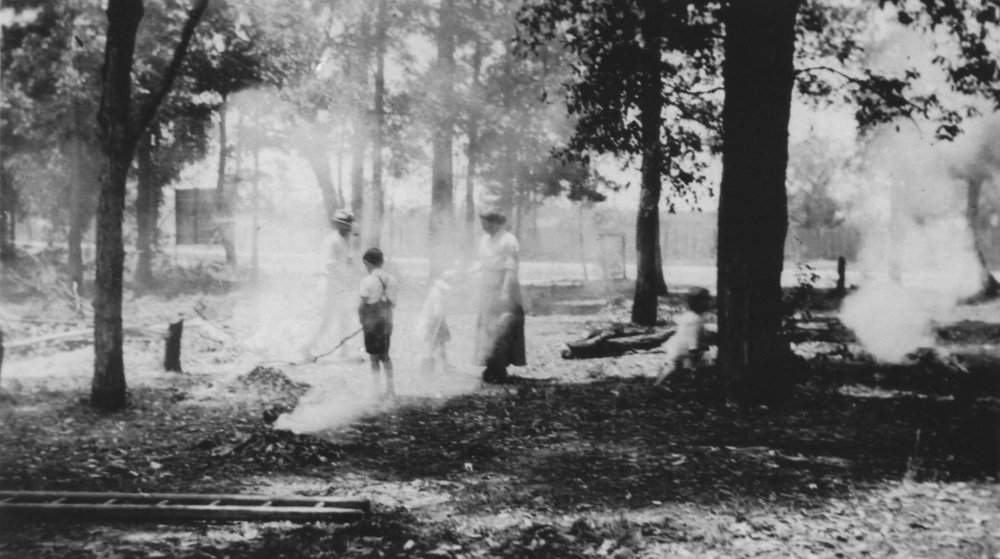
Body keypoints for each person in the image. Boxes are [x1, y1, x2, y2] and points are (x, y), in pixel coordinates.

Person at [474, 210, 526, 383]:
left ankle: (500, 368)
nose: (484, 227)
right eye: (482, 224)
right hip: (487, 287)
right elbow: (483, 264)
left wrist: (505, 292)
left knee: (503, 327)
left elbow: (511, 268)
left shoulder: (508, 240)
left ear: (496, 223)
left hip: (504, 285)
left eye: (486, 223)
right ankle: (490, 365)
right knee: (487, 328)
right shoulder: (484, 240)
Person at [300, 209, 358, 361]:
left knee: (344, 318)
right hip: (330, 285)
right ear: (339, 225)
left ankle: (344, 352)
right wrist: (345, 280)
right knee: (326, 321)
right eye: (345, 225)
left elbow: (348, 262)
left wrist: (351, 277)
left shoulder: (346, 241)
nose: (348, 228)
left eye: (349, 225)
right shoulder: (332, 241)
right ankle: (306, 346)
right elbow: (331, 266)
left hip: (341, 286)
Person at [358, 247, 397, 399]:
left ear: (367, 263)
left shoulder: (367, 280)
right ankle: (391, 390)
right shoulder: (392, 280)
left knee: (374, 358)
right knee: (385, 355)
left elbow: (362, 304)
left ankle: (376, 390)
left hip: (371, 323)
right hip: (387, 321)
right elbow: (393, 304)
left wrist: (362, 320)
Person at [653, 287, 711, 388]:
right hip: (684, 350)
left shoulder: (689, 315)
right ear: (697, 303)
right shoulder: (696, 320)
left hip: (677, 347)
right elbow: (693, 338)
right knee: (678, 368)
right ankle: (659, 385)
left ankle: (662, 383)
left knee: (672, 367)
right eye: (705, 301)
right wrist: (696, 348)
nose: (708, 304)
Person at [418, 270, 456, 376]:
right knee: (433, 343)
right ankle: (429, 364)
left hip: (438, 321)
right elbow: (437, 312)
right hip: (436, 322)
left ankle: (444, 363)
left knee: (440, 343)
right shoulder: (437, 295)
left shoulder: (435, 291)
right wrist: (432, 325)